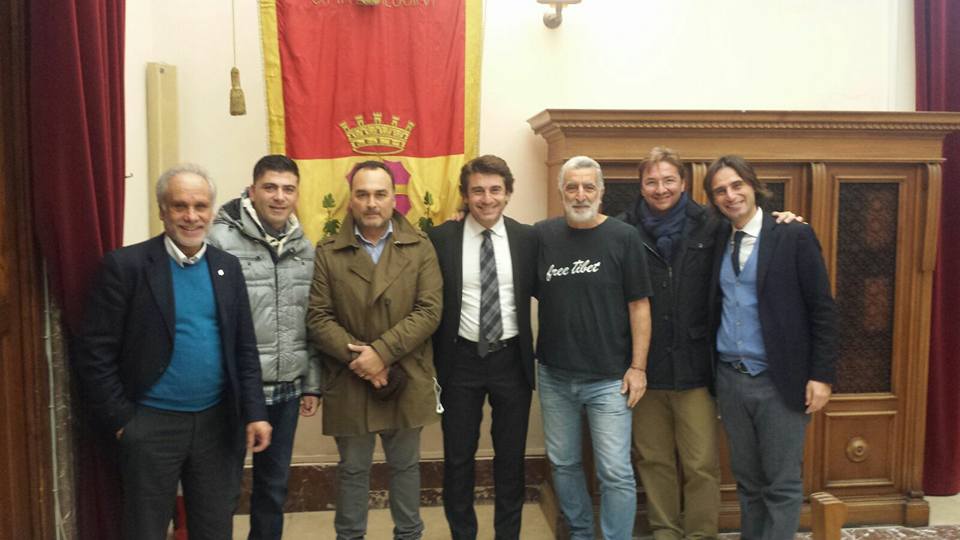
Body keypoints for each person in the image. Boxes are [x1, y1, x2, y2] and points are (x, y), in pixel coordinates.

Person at [75, 164, 271, 540]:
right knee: (145, 529)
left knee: (214, 528)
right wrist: (123, 422)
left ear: (212, 210)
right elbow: (94, 352)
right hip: (150, 424)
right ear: (162, 211)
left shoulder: (227, 268)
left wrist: (255, 412)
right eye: (180, 206)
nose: (191, 216)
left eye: (200, 206)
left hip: (217, 426)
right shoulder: (126, 267)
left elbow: (244, 348)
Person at [306, 160, 443, 540]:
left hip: (405, 374)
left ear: (393, 198)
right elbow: (318, 317)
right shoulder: (328, 251)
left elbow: (429, 311)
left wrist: (381, 353)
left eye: (380, 194)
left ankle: (409, 535)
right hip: (350, 376)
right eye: (362, 194)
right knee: (352, 470)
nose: (371, 203)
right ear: (350, 199)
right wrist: (362, 360)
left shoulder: (421, 247)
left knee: (406, 467)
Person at [704, 155, 837, 540]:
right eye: (720, 191)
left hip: (780, 381)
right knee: (747, 482)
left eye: (737, 185)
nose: (730, 196)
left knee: (781, 483)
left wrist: (821, 376)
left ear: (753, 185)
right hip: (731, 381)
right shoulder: (717, 238)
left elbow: (822, 309)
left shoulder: (793, 235)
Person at [535, 155, 652, 540]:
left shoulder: (624, 237)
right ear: (561, 192)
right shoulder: (542, 236)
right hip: (554, 376)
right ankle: (581, 533)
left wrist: (638, 367)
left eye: (588, 187)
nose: (580, 195)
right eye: (572, 187)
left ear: (601, 191)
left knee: (615, 472)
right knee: (564, 463)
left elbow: (639, 305)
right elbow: (501, 243)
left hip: (610, 380)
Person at [206, 154, 321, 540]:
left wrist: (311, 383)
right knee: (221, 490)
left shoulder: (304, 247)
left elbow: (312, 319)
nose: (279, 197)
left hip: (286, 390)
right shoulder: (219, 240)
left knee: (273, 489)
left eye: (288, 189)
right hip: (234, 391)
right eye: (270, 187)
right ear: (252, 191)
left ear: (297, 195)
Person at [428, 155, 538, 540]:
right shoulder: (441, 239)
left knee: (511, 459)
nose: (487, 199)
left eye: (495, 190)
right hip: (459, 361)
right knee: (458, 458)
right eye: (478, 191)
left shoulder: (527, 239)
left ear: (508, 193)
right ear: (465, 195)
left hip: (512, 361)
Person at [617, 147, 722, 539]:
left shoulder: (711, 224)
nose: (660, 189)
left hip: (695, 368)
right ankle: (664, 531)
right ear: (641, 185)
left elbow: (755, 228)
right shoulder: (622, 229)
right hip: (644, 369)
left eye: (668, 180)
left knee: (701, 463)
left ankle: (700, 534)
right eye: (651, 181)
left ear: (684, 182)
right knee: (653, 459)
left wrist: (785, 218)